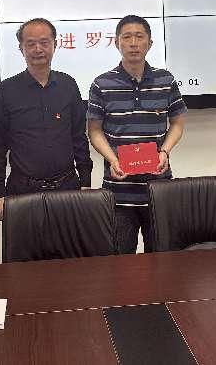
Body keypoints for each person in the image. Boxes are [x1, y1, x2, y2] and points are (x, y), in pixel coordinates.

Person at [87, 15, 186, 253]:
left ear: (149, 43)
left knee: (163, 259)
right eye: (127, 37)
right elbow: (94, 131)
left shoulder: (166, 80)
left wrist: (164, 151)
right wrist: (112, 159)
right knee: (121, 263)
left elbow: (177, 124)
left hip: (159, 188)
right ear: (117, 43)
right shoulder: (102, 84)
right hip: (118, 191)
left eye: (139, 37)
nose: (133, 43)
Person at [0, 18, 93, 221]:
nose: (38, 49)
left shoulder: (68, 85)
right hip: (22, 190)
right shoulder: (6, 90)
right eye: (31, 43)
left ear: (55, 44)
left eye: (44, 42)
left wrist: (86, 182)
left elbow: (79, 137)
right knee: (25, 243)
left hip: (67, 188)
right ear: (21, 48)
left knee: (68, 242)